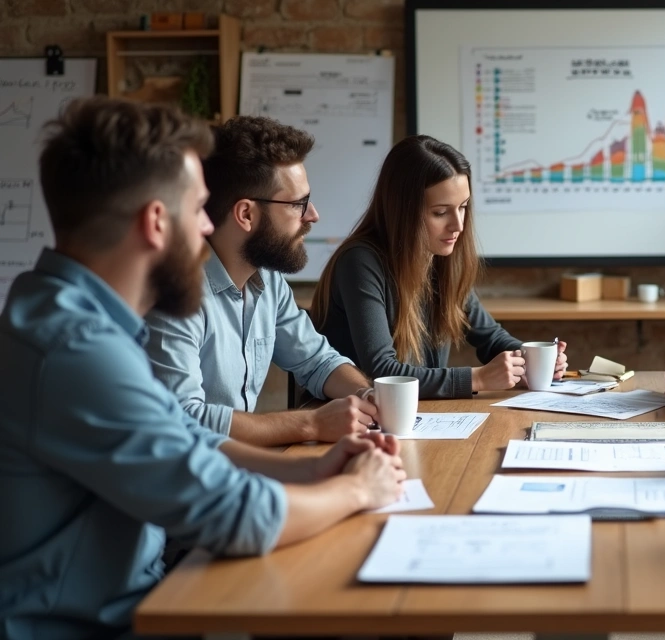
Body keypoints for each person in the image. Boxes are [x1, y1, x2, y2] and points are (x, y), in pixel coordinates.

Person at [0, 97, 405, 639]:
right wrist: (358, 490)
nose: (207, 228)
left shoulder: (68, 316)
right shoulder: (76, 350)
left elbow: (183, 440)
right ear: (156, 223)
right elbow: (236, 515)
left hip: (143, 600)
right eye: (198, 210)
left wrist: (311, 469)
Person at [146, 116, 378, 447]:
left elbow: (317, 360)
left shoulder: (267, 279)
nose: (312, 215)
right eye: (298, 204)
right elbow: (184, 417)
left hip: (238, 470)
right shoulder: (175, 296)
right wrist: (311, 424)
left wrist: (367, 395)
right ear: (246, 215)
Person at [310, 135, 567, 399]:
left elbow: (490, 338)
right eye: (440, 212)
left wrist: (536, 359)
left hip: (415, 417)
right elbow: (382, 372)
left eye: (463, 207)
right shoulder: (360, 263)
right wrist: (478, 377)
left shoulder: (441, 258)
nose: (458, 225)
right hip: (347, 423)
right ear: (403, 211)